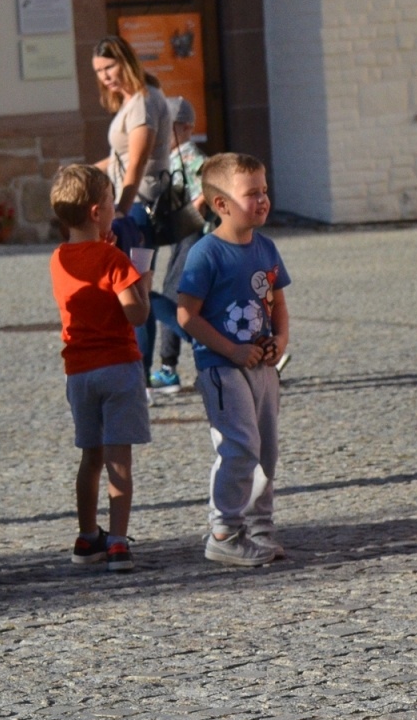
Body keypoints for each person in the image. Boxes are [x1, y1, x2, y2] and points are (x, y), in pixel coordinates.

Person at [176, 153, 290, 567]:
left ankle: (258, 526)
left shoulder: (266, 248)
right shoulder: (206, 253)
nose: (263, 200)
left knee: (266, 451)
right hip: (222, 368)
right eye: (251, 193)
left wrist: (279, 340)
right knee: (240, 447)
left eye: (265, 191)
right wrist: (232, 350)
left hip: (263, 369)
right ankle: (224, 531)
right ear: (221, 204)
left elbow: (277, 303)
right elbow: (186, 315)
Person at [48, 164, 153, 573]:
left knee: (90, 457)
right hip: (118, 367)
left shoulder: (58, 259)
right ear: (96, 212)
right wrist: (142, 281)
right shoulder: (114, 258)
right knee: (118, 459)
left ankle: (87, 535)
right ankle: (118, 542)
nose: (115, 209)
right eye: (111, 203)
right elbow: (137, 314)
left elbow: (87, 276)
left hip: (79, 371)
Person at [90, 35, 174, 375]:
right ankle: (144, 374)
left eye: (109, 67)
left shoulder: (143, 100)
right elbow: (120, 159)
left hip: (140, 208)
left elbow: (137, 162)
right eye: (99, 71)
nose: (105, 76)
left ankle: (205, 335)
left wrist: (121, 210)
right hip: (135, 206)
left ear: (125, 61)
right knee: (138, 289)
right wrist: (84, 172)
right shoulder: (131, 101)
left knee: (136, 289)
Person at [147, 96, 207, 396]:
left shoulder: (191, 157)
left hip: (192, 237)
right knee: (182, 300)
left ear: (185, 128)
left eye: (166, 127)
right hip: (184, 238)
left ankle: (174, 367)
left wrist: (190, 213)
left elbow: (208, 188)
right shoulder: (171, 158)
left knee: (172, 299)